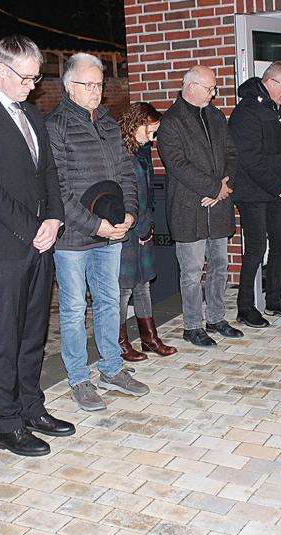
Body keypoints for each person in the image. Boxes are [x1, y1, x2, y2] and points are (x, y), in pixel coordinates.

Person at [0, 35, 73, 456]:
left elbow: (50, 175)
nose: (33, 85)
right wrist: (33, 228)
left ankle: (31, 406)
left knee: (34, 332)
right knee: (7, 335)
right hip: (4, 246)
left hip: (40, 239)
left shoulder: (33, 115)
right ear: (2, 71)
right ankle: (6, 424)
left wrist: (54, 219)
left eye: (37, 76)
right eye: (26, 77)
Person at [46, 53, 150, 411]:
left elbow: (127, 172)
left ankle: (111, 369)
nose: (95, 91)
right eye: (87, 85)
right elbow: (57, 190)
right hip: (74, 239)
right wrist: (96, 225)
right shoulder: (55, 126)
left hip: (113, 232)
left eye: (99, 84)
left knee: (109, 301)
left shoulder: (108, 124)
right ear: (68, 86)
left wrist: (130, 214)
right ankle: (78, 379)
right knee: (74, 309)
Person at [157, 65, 242, 348]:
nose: (214, 93)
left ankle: (216, 318)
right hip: (188, 207)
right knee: (191, 272)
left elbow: (231, 152)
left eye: (214, 88)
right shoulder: (171, 121)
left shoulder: (216, 116)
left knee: (219, 265)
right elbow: (177, 164)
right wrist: (213, 187)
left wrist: (223, 187)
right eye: (210, 88)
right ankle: (192, 326)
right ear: (191, 86)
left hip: (217, 205)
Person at [228, 60, 281, 328]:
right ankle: (245, 308)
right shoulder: (246, 112)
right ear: (271, 82)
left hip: (274, 190)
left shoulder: (277, 109)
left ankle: (274, 298)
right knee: (256, 249)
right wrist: (278, 186)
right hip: (252, 193)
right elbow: (250, 159)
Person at [116, 102, 178, 361]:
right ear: (135, 125)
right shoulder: (120, 154)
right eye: (150, 131)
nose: (153, 138)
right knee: (123, 289)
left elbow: (148, 193)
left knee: (142, 285)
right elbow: (128, 195)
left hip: (143, 226)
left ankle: (149, 339)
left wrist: (148, 225)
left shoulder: (141, 151)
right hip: (126, 230)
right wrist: (138, 226)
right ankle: (119, 342)